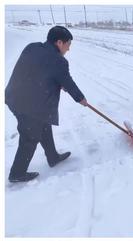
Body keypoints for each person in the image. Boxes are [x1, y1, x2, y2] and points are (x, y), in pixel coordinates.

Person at [5, 26, 87, 183]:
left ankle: (52, 157)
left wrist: (55, 81)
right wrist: (80, 99)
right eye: (68, 44)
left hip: (13, 96)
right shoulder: (59, 61)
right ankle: (17, 173)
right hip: (27, 104)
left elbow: (38, 69)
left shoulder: (32, 47)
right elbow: (68, 82)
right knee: (30, 136)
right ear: (59, 42)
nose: (68, 49)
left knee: (43, 123)